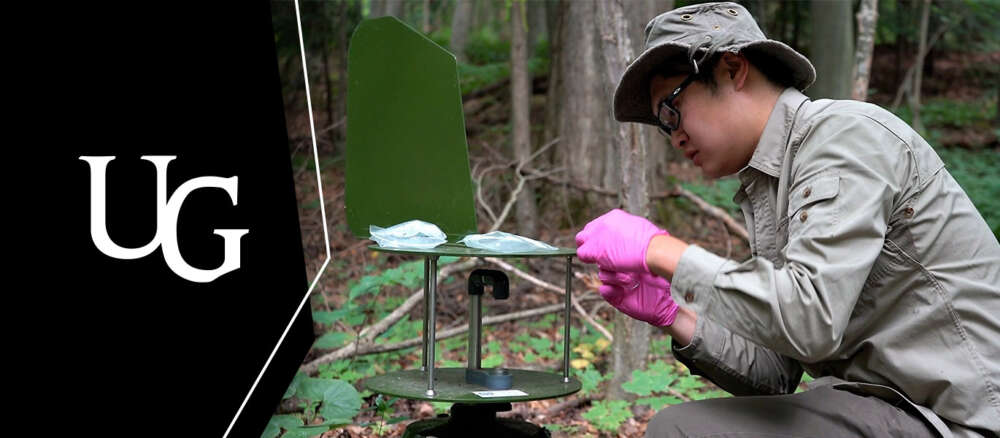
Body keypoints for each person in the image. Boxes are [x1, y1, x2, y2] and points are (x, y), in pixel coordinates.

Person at [574, 3, 1000, 437]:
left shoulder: (845, 137)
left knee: (681, 430)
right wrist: (673, 313)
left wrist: (660, 251)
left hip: (961, 420)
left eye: (671, 109)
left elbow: (808, 320)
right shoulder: (772, 183)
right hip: (891, 407)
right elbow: (775, 373)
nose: (674, 135)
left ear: (732, 69)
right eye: (664, 126)